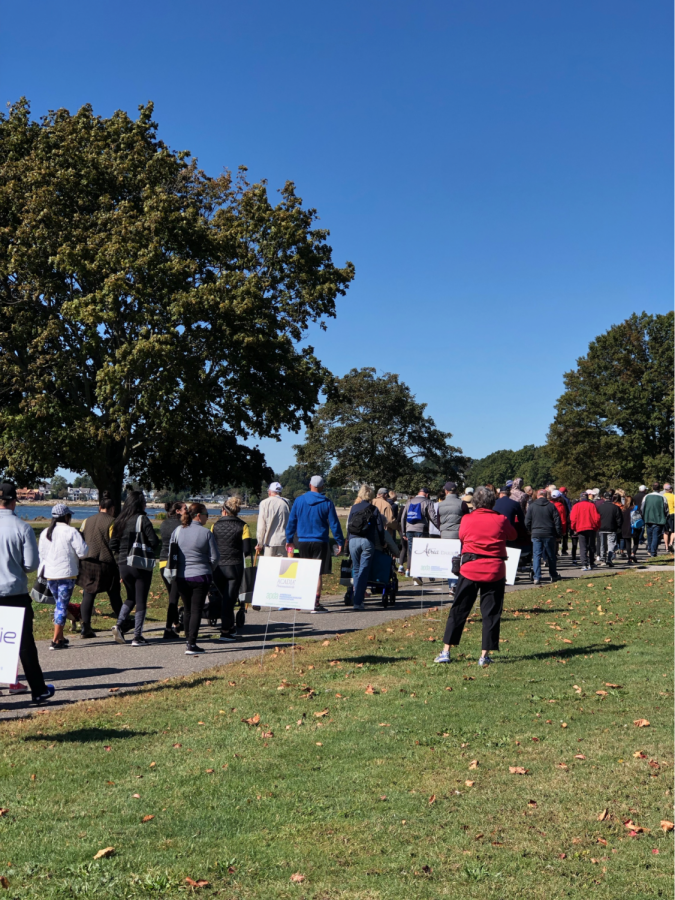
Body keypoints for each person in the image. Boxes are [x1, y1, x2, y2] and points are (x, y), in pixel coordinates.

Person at [433, 486, 516, 667]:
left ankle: (446, 651)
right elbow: (513, 534)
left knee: (459, 610)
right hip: (494, 569)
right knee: (491, 613)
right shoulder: (500, 519)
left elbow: (462, 537)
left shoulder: (467, 519)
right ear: (492, 502)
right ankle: (484, 654)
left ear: (475, 503)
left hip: (470, 568)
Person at [0, 483, 54, 703]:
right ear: (14, 502)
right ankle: (38, 689)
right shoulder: (22, 528)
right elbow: (31, 564)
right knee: (24, 644)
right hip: (13, 592)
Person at [285, 476, 344, 612]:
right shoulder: (327, 502)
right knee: (317, 573)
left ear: (310, 485)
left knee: (303, 571)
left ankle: (300, 600)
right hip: (320, 540)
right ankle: (315, 602)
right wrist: (339, 541)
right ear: (322, 487)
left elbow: (292, 522)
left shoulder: (299, 501)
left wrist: (289, 540)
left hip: (302, 541)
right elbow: (334, 524)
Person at [109, 490, 160, 646]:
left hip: (123, 564)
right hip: (139, 563)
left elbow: (113, 544)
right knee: (141, 599)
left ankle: (119, 624)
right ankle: (137, 636)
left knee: (130, 596)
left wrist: (120, 559)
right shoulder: (142, 520)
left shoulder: (119, 520)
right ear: (140, 503)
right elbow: (153, 541)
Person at [38, 503, 89, 650]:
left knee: (59, 604)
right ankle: (55, 640)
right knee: (62, 605)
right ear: (66, 516)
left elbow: (42, 554)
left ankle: (60, 637)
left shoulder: (45, 533)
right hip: (67, 573)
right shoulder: (71, 531)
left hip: (50, 574)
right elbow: (83, 552)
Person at [172, 502, 220, 654]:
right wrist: (208, 569)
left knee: (187, 609)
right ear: (198, 515)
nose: (208, 517)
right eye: (206, 514)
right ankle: (191, 643)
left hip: (181, 576)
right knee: (196, 609)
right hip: (200, 575)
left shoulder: (178, 531)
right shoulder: (206, 533)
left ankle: (188, 639)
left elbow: (172, 553)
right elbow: (215, 557)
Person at [75, 492, 123, 639]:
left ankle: (86, 626)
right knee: (114, 593)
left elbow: (81, 538)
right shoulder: (113, 522)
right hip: (105, 562)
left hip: (87, 561)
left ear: (99, 506)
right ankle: (122, 623)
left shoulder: (86, 521)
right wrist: (120, 566)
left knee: (89, 594)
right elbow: (114, 545)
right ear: (112, 508)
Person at [211, 497, 254, 641]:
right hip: (234, 565)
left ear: (223, 510)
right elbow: (247, 550)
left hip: (217, 567)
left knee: (224, 597)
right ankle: (225, 630)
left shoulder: (214, 526)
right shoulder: (243, 526)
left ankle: (229, 627)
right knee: (229, 599)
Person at [345, 485, 387, 610]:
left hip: (353, 541)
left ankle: (356, 597)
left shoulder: (353, 508)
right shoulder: (373, 509)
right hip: (367, 542)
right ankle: (358, 602)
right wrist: (382, 541)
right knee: (364, 572)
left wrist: (348, 541)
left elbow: (349, 526)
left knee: (356, 570)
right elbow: (380, 528)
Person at [400, 487, 439, 584]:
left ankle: (415, 574)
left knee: (412, 552)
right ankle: (419, 574)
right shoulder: (427, 502)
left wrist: (404, 531)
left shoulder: (409, 502)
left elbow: (403, 517)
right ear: (426, 494)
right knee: (422, 553)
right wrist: (440, 527)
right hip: (422, 530)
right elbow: (432, 517)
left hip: (409, 530)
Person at [159, 501, 185, 640]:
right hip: (174, 563)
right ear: (178, 511)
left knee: (172, 595)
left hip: (163, 562)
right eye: (185, 509)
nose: (187, 511)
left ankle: (176, 624)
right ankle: (169, 628)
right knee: (174, 598)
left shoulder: (163, 524)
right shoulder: (181, 526)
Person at [524, 489, 562, 585]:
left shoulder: (532, 506)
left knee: (536, 555)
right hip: (549, 533)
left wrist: (530, 530)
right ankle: (553, 575)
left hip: (536, 532)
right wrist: (558, 534)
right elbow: (557, 521)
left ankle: (537, 577)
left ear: (537, 495)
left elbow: (527, 521)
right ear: (546, 496)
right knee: (551, 554)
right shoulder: (551, 506)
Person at [256, 482, 290, 557]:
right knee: (282, 567)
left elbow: (261, 526)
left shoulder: (264, 503)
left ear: (270, 491)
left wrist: (259, 543)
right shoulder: (287, 503)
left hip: (269, 541)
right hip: (283, 541)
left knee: (269, 567)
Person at [569, 492, 601, 571]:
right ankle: (591, 562)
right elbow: (597, 518)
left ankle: (584, 563)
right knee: (591, 546)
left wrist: (574, 528)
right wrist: (597, 527)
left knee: (583, 547)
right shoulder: (592, 505)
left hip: (580, 528)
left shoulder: (576, 506)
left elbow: (573, 518)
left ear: (580, 498)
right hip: (591, 528)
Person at [596, 491, 623, 566]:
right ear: (611, 498)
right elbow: (619, 519)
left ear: (604, 498)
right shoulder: (615, 507)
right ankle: (609, 558)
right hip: (612, 528)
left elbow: (596, 518)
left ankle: (603, 559)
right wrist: (618, 527)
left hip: (601, 528)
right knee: (611, 544)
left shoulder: (599, 507)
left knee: (602, 544)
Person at [642, 483, 668, 558]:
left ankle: (650, 549)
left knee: (649, 535)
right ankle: (653, 551)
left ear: (652, 488)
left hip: (648, 518)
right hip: (659, 519)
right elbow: (666, 508)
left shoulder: (646, 496)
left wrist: (643, 515)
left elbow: (642, 507)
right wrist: (665, 516)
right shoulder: (662, 497)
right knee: (656, 535)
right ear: (660, 489)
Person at [550, 490, 568, 555]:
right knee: (556, 541)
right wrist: (563, 530)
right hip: (558, 526)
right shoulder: (561, 506)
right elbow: (563, 519)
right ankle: (555, 555)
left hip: (549, 526)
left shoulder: (548, 504)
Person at [662, 483, 675, 553]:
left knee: (665, 531)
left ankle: (666, 547)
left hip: (664, 515)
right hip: (672, 513)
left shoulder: (662, 496)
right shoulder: (673, 496)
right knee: (673, 531)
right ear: (670, 489)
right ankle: (670, 543)